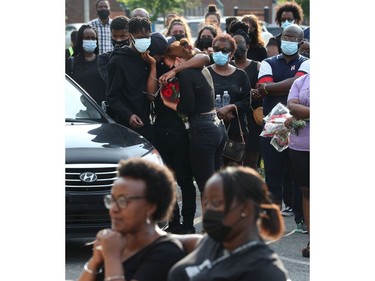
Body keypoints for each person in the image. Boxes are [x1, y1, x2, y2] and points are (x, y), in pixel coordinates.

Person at [167, 165, 290, 281]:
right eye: (206, 203)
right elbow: (166, 241)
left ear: (245, 209)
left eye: (216, 203)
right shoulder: (214, 242)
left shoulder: (265, 272)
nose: (208, 210)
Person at [76, 158, 186, 281]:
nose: (113, 209)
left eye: (122, 201)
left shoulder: (166, 253)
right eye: (112, 200)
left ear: (150, 207)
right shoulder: (115, 243)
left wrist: (112, 258)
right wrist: (94, 262)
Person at [256, 24, 309, 232]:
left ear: (301, 42)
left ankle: (301, 218)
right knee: (273, 172)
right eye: (285, 36)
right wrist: (285, 85)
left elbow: (292, 83)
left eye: (293, 37)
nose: (288, 40)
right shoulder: (268, 62)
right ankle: (272, 217)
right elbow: (263, 86)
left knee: (297, 175)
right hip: (273, 126)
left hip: (298, 127)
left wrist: (271, 88)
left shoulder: (308, 63)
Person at [160, 40, 227, 195]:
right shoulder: (199, 68)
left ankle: (212, 219)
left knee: (206, 187)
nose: (168, 69)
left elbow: (188, 108)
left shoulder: (184, 73)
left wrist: (167, 103)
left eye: (168, 64)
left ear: (177, 60)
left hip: (203, 130)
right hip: (217, 127)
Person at [106, 16, 155, 143]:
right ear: (130, 36)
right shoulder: (118, 60)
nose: (144, 40)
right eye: (139, 37)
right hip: (127, 125)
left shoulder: (148, 57)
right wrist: (129, 115)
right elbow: (112, 98)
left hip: (148, 123)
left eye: (147, 37)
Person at [207, 33, 251, 167]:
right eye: (216, 49)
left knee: (233, 170)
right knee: (214, 168)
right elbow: (199, 101)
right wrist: (215, 111)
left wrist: (230, 107)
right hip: (211, 128)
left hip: (236, 130)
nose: (220, 53)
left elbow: (247, 101)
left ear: (231, 54)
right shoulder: (205, 73)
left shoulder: (240, 75)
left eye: (224, 50)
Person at [230, 21, 263, 170]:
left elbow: (263, 89)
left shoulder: (257, 66)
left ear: (248, 46)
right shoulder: (225, 67)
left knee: (251, 163)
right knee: (232, 163)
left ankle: (252, 191)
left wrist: (258, 92)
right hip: (232, 119)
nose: (237, 46)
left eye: (240, 43)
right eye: (234, 43)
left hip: (252, 120)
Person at [285, 73, 310, 258]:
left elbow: (297, 109)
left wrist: (303, 111)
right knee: (307, 191)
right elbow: (292, 106)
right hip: (300, 146)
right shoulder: (301, 81)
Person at [65, 24, 106, 106]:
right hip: (79, 110)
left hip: (101, 111)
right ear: (80, 40)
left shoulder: (103, 61)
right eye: (87, 38)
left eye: (93, 38)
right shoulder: (71, 63)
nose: (90, 41)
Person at [97, 15, 130, 85]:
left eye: (122, 36)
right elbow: (111, 82)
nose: (118, 40)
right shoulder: (104, 58)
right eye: (115, 36)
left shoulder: (139, 56)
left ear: (131, 36)